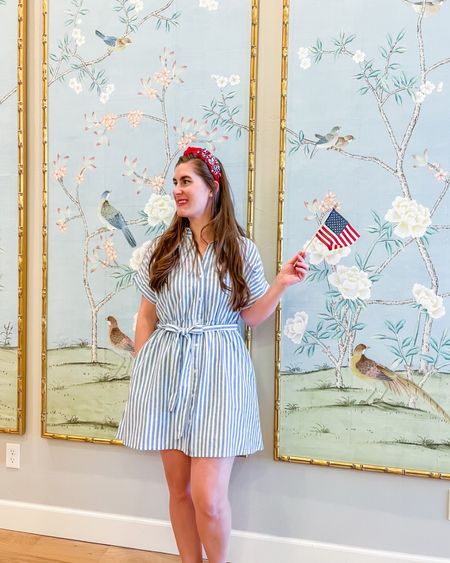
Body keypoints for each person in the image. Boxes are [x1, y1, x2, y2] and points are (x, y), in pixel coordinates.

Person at [117, 146, 308, 563]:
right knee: (179, 491)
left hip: (220, 373)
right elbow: (146, 316)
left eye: (186, 181)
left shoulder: (239, 250)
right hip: (166, 374)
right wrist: (144, 367)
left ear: (212, 188)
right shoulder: (159, 251)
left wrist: (280, 284)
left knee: (209, 497)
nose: (177, 190)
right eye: (175, 182)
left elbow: (251, 316)